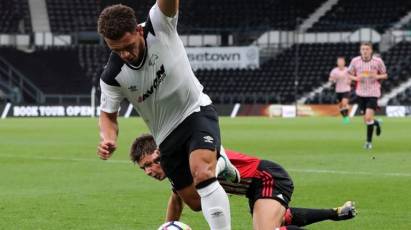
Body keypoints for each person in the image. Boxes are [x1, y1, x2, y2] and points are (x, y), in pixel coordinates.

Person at [96, 2, 237, 229]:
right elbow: (107, 115)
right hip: (164, 136)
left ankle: (213, 168)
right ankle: (221, 164)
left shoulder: (159, 25)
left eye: (128, 46)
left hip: (194, 111)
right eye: (116, 50)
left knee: (202, 173)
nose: (125, 54)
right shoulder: (112, 76)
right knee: (195, 202)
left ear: (139, 31)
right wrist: (108, 137)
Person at [130, 134, 357, 230]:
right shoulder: (177, 171)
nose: (149, 171)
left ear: (160, 154)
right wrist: (168, 225)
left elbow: (183, 200)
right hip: (254, 190)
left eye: (151, 163)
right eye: (144, 168)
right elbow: (177, 199)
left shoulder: (186, 160)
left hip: (267, 177)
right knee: (279, 218)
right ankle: (335, 213)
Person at [347, 42, 387, 149]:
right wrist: (356, 78)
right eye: (363, 49)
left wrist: (376, 75)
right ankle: (377, 123)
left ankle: (368, 142)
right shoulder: (355, 61)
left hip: (373, 92)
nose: (365, 51)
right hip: (360, 93)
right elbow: (348, 73)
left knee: (368, 118)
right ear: (360, 51)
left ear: (371, 50)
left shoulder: (377, 61)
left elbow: (385, 74)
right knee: (366, 120)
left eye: (367, 49)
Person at [329, 57, 351, 124]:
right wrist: (332, 80)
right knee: (340, 106)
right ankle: (345, 117)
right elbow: (330, 79)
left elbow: (351, 77)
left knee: (344, 103)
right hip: (338, 90)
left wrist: (349, 81)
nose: (340, 63)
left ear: (344, 62)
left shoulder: (348, 70)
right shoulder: (334, 70)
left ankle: (346, 118)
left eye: (341, 61)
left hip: (346, 89)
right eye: (339, 61)